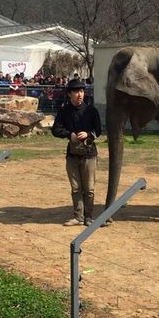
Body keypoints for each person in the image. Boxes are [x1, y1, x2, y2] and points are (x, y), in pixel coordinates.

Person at [52, 78, 102, 226]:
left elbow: (98, 130)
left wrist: (88, 134)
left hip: (89, 155)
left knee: (89, 188)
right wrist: (69, 135)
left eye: (82, 91)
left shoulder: (91, 111)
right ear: (70, 94)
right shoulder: (64, 111)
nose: (80, 94)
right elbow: (55, 130)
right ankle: (78, 216)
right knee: (76, 188)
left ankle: (89, 217)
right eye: (76, 91)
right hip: (72, 155)